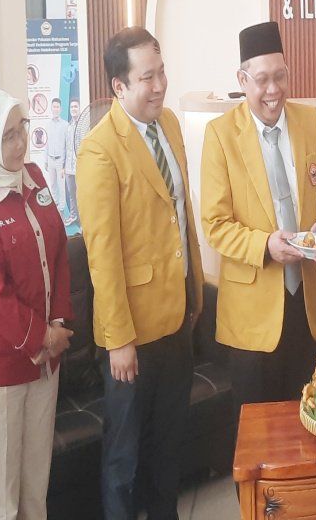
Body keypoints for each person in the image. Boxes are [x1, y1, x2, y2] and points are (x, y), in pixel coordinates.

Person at [76, 27, 204, 520]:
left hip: (177, 318)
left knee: (168, 448)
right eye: (147, 77)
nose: (160, 85)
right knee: (124, 460)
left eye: (162, 72)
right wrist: (120, 340)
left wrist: (194, 294)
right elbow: (103, 255)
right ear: (119, 86)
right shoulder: (99, 150)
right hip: (131, 333)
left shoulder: (168, 123)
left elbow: (180, 216)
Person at [200, 22, 316, 417]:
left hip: (307, 308)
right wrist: (265, 245)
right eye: (262, 80)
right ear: (242, 80)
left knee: (312, 419)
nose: (273, 90)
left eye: (280, 77)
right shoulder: (221, 135)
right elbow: (215, 224)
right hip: (252, 316)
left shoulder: (309, 121)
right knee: (258, 432)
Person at [0, 89, 74, 519]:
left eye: (22, 128)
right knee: (1, 498)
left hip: (44, 361)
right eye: (7, 135)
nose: (20, 142)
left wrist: (57, 324)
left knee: (34, 488)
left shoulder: (34, 178)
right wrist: (41, 336)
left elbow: (57, 251)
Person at [45, 98, 70, 216]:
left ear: (60, 109)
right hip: (50, 160)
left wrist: (65, 165)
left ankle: (62, 210)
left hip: (60, 161)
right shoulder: (48, 124)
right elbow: (47, 143)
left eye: (57, 107)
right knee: (53, 185)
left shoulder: (65, 125)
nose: (55, 109)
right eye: (54, 107)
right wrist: (45, 160)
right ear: (51, 108)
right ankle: (54, 206)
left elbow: (67, 145)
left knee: (61, 186)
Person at [64, 98, 81, 222]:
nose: (73, 109)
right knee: (71, 193)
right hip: (69, 168)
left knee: (80, 194)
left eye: (75, 106)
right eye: (72, 107)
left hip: (79, 167)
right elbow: (66, 147)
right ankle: (73, 215)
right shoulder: (68, 126)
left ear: (79, 108)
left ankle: (82, 219)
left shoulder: (82, 125)